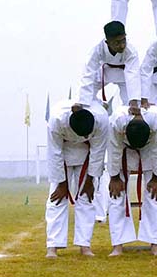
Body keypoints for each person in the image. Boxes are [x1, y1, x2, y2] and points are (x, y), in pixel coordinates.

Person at [45, 100, 109, 258]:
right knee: (57, 198)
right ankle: (53, 246)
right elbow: (54, 152)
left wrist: (90, 180)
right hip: (63, 153)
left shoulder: (101, 118)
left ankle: (84, 245)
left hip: (87, 153)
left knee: (87, 198)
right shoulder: (57, 119)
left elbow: (98, 151)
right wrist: (62, 184)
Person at [106, 105, 157, 256]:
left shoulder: (156, 120)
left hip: (149, 150)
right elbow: (113, 148)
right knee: (116, 194)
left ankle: (155, 244)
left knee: (155, 194)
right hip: (123, 149)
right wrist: (114, 177)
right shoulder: (117, 121)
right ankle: (118, 245)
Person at [77, 21, 141, 109]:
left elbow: (133, 75)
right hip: (104, 72)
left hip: (123, 75)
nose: (122, 46)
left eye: (123, 40)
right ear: (107, 42)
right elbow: (88, 72)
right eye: (117, 43)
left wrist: (134, 101)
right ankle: (100, 105)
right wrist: (81, 102)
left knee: (130, 104)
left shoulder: (131, 51)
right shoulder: (98, 50)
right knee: (86, 99)